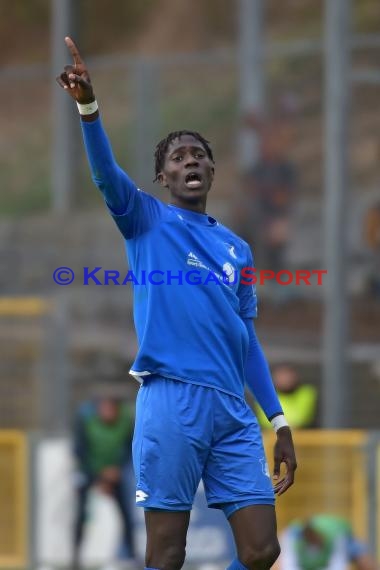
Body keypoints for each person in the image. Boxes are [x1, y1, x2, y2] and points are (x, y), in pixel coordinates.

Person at [57, 37, 297, 570]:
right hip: (172, 403)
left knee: (262, 550)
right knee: (166, 553)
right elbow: (103, 175)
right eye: (177, 157)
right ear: (162, 178)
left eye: (199, 155)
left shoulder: (238, 248)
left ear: (211, 171)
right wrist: (88, 107)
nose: (190, 160)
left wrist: (278, 423)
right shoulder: (145, 220)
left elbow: (246, 339)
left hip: (233, 411)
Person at [73, 396, 135, 567]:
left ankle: (131, 555)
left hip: (114, 471)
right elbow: (79, 450)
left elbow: (129, 448)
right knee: (81, 513)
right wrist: (99, 475)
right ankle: (76, 556)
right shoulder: (85, 419)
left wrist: (117, 469)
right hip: (90, 470)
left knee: (126, 515)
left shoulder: (126, 421)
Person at [239, 102, 297, 273]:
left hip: (274, 219)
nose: (265, 145)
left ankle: (273, 276)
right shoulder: (257, 169)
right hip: (256, 220)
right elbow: (246, 195)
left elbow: (283, 200)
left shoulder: (285, 170)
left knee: (275, 234)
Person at [277, 514, 379, 570]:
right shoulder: (291, 537)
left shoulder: (335, 536)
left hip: (344, 539)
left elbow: (339, 565)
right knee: (274, 563)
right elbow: (287, 566)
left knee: (365, 561)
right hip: (299, 547)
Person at [255, 364, 318, 430]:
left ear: (295, 376)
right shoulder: (265, 395)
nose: (285, 379)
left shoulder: (306, 392)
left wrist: (281, 424)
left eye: (287, 376)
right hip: (274, 436)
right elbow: (265, 421)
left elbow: (303, 418)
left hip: (303, 435)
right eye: (281, 376)